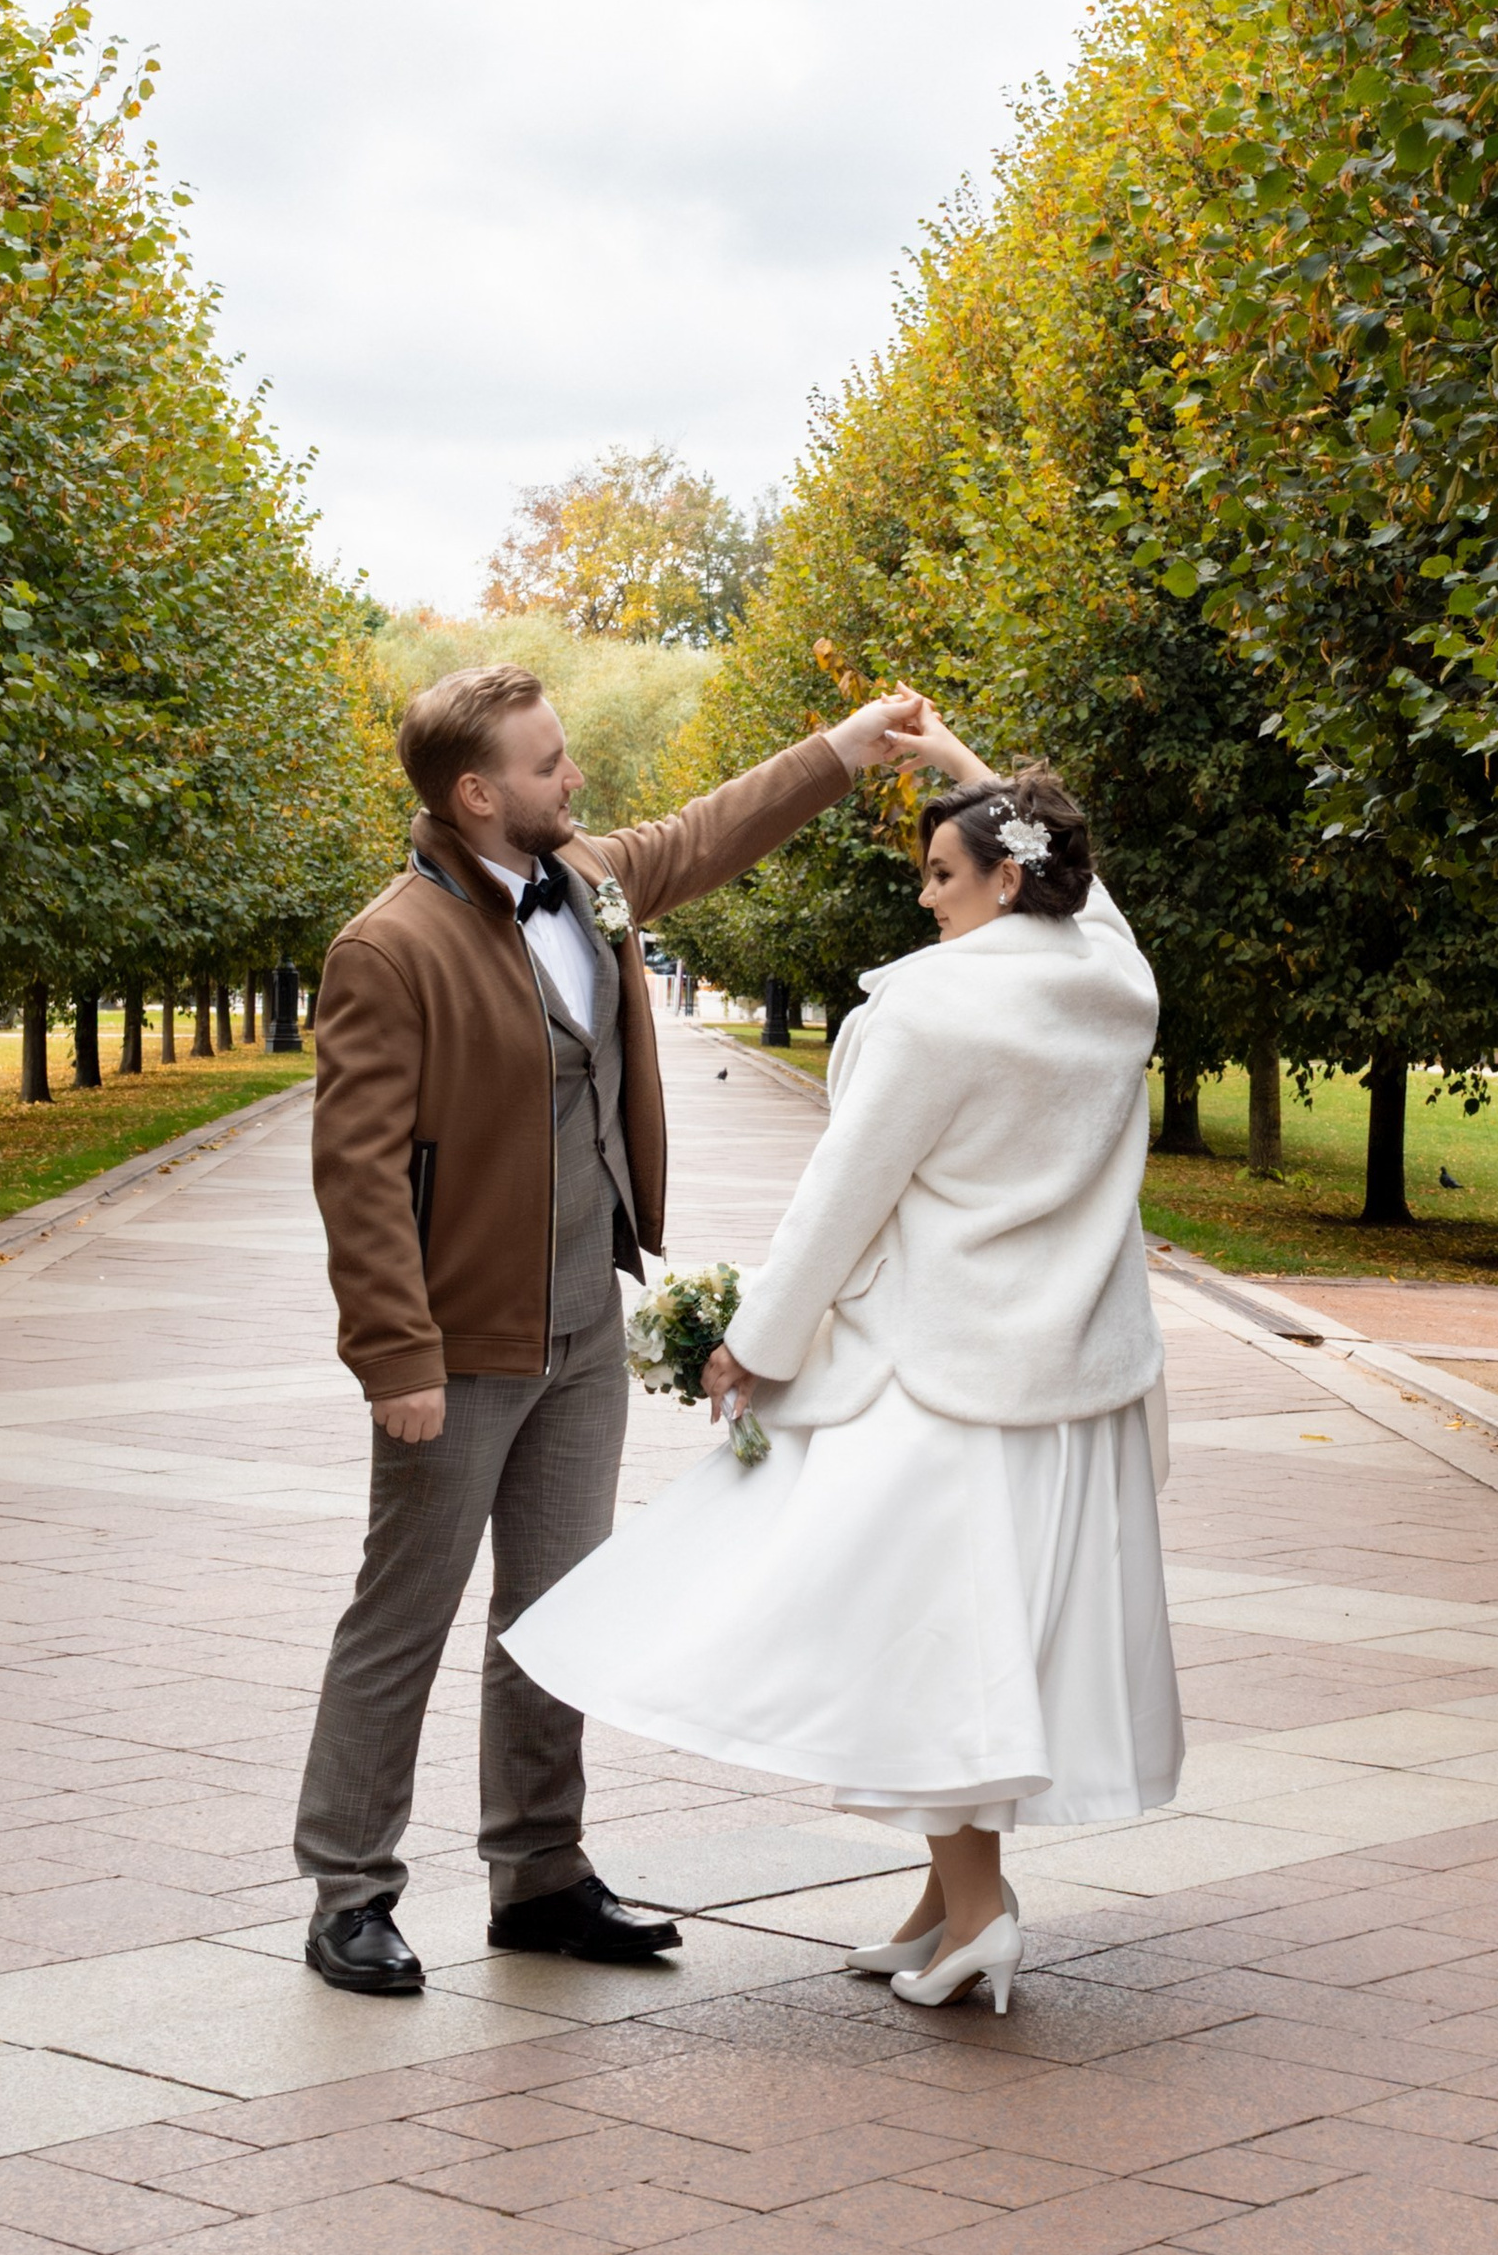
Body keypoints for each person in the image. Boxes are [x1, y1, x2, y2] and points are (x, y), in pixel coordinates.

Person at [502, 705, 1181, 2014]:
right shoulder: (1112, 978)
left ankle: (978, 1910)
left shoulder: (936, 1012)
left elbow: (843, 1196)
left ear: (1008, 876)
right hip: (1065, 1385)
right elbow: (1078, 884)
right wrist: (963, 770)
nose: (927, 901)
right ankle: (944, 1904)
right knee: (982, 1634)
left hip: (934, 1381)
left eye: (943, 873)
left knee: (928, 1640)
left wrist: (753, 1346)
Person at [295, 661, 928, 1993]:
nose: (571, 780)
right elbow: (355, 1176)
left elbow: (701, 834)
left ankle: (539, 1876)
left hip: (584, 1327)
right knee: (402, 1616)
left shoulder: (587, 882)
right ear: (476, 794)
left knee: (561, 1612)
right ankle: (350, 1891)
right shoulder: (387, 948)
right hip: (459, 1347)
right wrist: (394, 1355)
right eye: (546, 764)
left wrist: (846, 750)